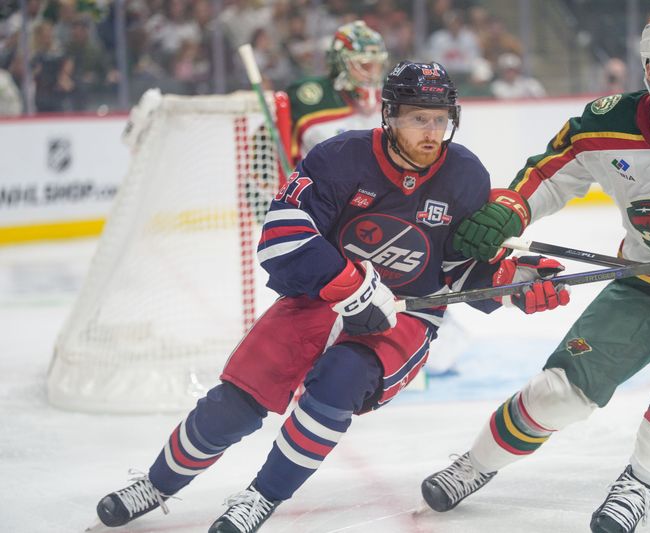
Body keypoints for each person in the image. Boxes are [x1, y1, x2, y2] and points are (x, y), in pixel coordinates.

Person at [93, 61, 570, 533]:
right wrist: (353, 289)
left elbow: (458, 267)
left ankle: (262, 496)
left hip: (403, 315)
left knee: (339, 382)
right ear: (390, 116)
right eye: (417, 118)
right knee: (235, 403)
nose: (431, 132)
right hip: (321, 297)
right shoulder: (340, 158)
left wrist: (513, 282)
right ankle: (156, 486)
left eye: (440, 119)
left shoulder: (464, 174)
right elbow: (282, 235)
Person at [419, 8, 650, 533]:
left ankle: (640, 483)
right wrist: (511, 208)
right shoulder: (606, 122)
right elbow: (549, 176)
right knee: (558, 393)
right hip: (644, 277)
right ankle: (476, 464)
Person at [283, 19, 389, 164]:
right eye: (365, 65)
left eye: (378, 65)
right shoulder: (311, 98)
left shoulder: (389, 100)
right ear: (340, 62)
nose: (373, 73)